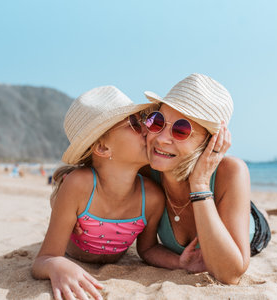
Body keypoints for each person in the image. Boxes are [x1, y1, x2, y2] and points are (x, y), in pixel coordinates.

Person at [32, 86, 202, 300]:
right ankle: (57, 197)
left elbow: (147, 249)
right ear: (103, 148)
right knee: (66, 187)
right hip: (74, 237)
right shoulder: (80, 186)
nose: (147, 129)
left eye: (143, 119)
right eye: (133, 124)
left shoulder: (151, 197)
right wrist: (58, 264)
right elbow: (43, 259)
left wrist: (179, 262)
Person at [140, 73, 271, 284]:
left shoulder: (232, 171)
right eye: (158, 122)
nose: (162, 139)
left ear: (210, 142)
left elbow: (230, 274)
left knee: (254, 215)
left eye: (181, 130)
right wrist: (179, 263)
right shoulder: (146, 174)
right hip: (219, 199)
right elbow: (146, 249)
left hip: (252, 228)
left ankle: (259, 212)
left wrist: (199, 184)